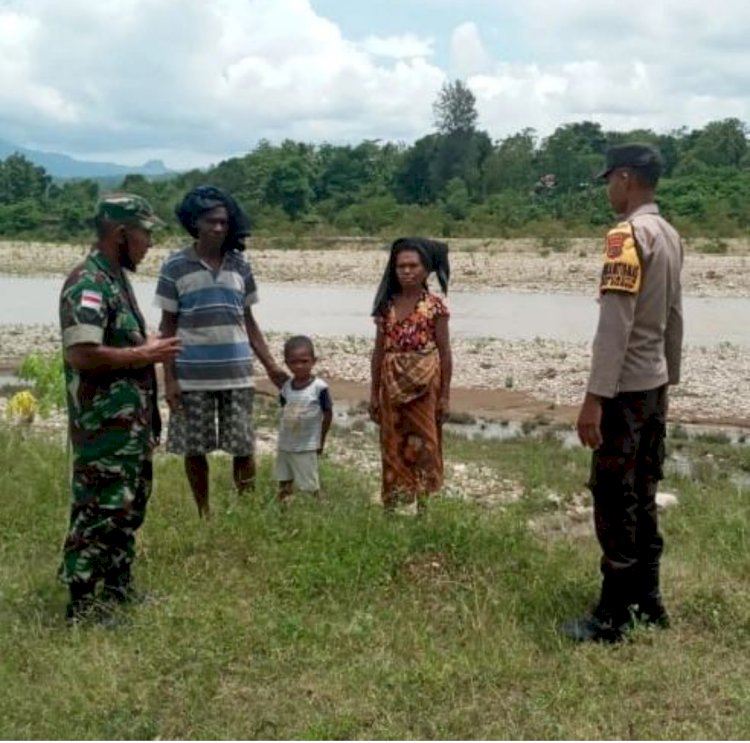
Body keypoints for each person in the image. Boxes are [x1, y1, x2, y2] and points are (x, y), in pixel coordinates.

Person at [561, 144, 684, 643]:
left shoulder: (626, 237)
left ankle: (611, 614)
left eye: (610, 179)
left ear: (627, 179)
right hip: (653, 385)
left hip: (625, 389)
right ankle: (648, 599)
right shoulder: (671, 235)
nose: (608, 189)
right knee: (646, 491)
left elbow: (615, 324)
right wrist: (667, 377)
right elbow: (674, 316)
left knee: (614, 495)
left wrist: (595, 397)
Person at [58, 193, 182, 623]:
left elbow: (115, 344)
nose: (150, 244)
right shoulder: (88, 283)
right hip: (103, 428)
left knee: (128, 507)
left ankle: (117, 587)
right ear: (121, 234)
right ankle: (82, 602)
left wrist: (143, 349)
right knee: (99, 511)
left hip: (129, 427)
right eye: (146, 234)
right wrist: (143, 356)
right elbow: (84, 354)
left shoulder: (115, 278)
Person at [155, 185, 287, 518]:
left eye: (223, 222)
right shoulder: (175, 267)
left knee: (243, 447)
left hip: (237, 373)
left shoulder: (240, 266)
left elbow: (249, 320)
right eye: (211, 221)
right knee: (193, 449)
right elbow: (166, 329)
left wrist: (270, 366)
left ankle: (247, 512)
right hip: (191, 376)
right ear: (195, 223)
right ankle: (204, 514)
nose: (218, 228)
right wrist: (168, 380)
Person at [369, 238, 452, 511]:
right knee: (392, 445)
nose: (406, 271)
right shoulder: (386, 306)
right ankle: (392, 507)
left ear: (425, 269)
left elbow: (445, 352)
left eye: (413, 266)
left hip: (426, 387)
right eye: (401, 266)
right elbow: (379, 353)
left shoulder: (435, 307)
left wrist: (445, 397)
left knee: (426, 446)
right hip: (391, 387)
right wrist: (374, 394)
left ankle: (424, 510)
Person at [276, 335, 333, 502]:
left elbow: (328, 414)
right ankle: (283, 515)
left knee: (310, 487)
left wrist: (321, 440)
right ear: (286, 363)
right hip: (285, 445)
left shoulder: (319, 388)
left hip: (306, 446)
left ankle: (317, 512)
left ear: (313, 361)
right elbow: (285, 409)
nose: (299, 366)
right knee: (284, 483)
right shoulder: (286, 388)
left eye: (304, 361)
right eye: (294, 362)